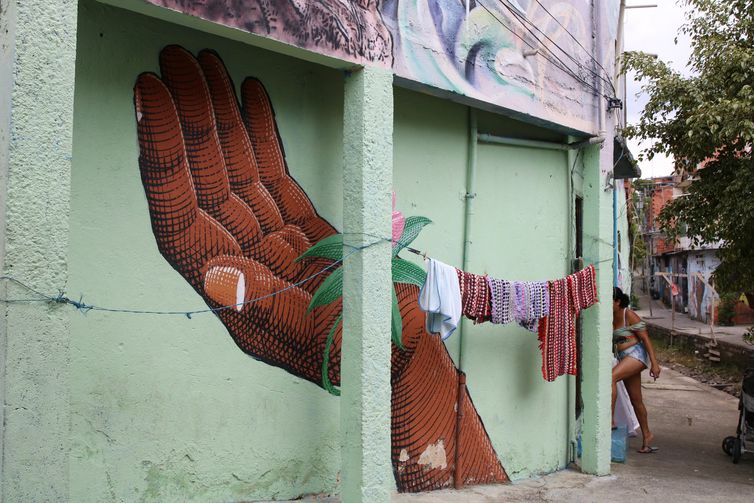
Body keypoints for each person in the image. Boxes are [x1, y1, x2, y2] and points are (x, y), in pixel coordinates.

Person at [612, 287, 661, 453]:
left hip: (636, 354)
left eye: (610, 301)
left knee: (610, 378)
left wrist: (654, 364)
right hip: (624, 357)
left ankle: (610, 421)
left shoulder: (628, 314)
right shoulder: (608, 317)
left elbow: (645, 338)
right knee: (636, 399)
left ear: (618, 301)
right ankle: (647, 435)